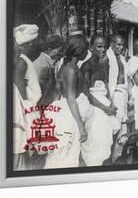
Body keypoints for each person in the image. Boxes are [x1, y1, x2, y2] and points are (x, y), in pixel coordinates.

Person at [44, 34, 91, 169]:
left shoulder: (67, 66)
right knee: (66, 155)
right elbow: (71, 99)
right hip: (70, 116)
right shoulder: (70, 69)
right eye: (86, 49)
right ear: (79, 50)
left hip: (66, 114)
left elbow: (58, 92)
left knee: (64, 154)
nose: (87, 52)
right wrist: (81, 126)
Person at [80, 35, 116, 166]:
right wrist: (104, 108)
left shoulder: (103, 64)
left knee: (105, 140)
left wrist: (111, 103)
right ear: (91, 47)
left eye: (105, 47)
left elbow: (106, 85)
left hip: (105, 108)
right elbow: (86, 94)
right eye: (99, 46)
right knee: (95, 141)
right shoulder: (86, 66)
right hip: (94, 109)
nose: (103, 50)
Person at [13, 24, 42, 171]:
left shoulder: (22, 58)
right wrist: (29, 115)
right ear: (29, 44)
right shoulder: (20, 61)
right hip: (23, 106)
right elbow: (20, 90)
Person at [107, 34, 129, 162]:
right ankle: (109, 159)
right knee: (112, 128)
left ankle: (116, 158)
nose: (121, 47)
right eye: (118, 44)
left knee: (121, 128)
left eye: (122, 45)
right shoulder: (107, 57)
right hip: (113, 95)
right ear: (111, 43)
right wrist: (109, 100)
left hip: (122, 95)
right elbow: (107, 81)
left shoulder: (121, 58)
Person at [33, 35, 64, 101]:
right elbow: (40, 91)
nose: (61, 53)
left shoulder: (48, 61)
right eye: (59, 50)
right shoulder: (42, 65)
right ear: (49, 49)